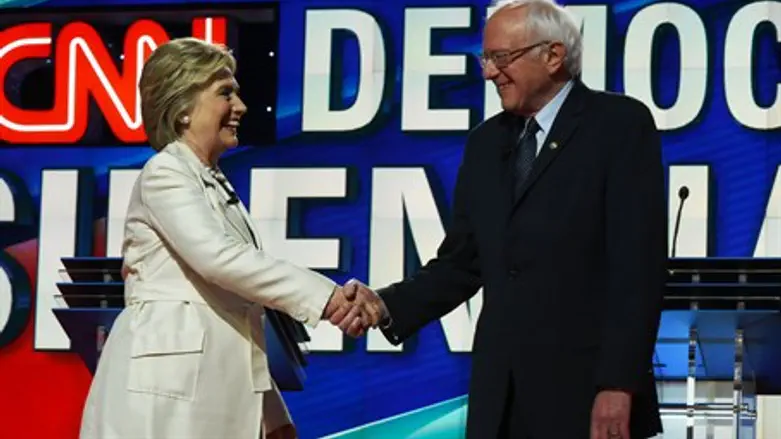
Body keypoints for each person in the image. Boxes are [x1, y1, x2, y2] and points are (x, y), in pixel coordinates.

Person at [334, 1, 667, 438]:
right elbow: (461, 263)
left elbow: (637, 269)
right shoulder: (486, 143)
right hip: (500, 400)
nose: (489, 73)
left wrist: (618, 384)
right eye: (485, 59)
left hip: (584, 395)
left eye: (501, 58)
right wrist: (384, 305)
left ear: (553, 56)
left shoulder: (618, 125)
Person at [79, 38, 377, 439]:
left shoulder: (213, 182)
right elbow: (219, 259)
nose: (240, 106)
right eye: (225, 93)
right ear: (183, 107)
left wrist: (274, 416)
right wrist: (328, 298)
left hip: (207, 391)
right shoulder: (165, 172)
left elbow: (236, 311)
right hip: (163, 398)